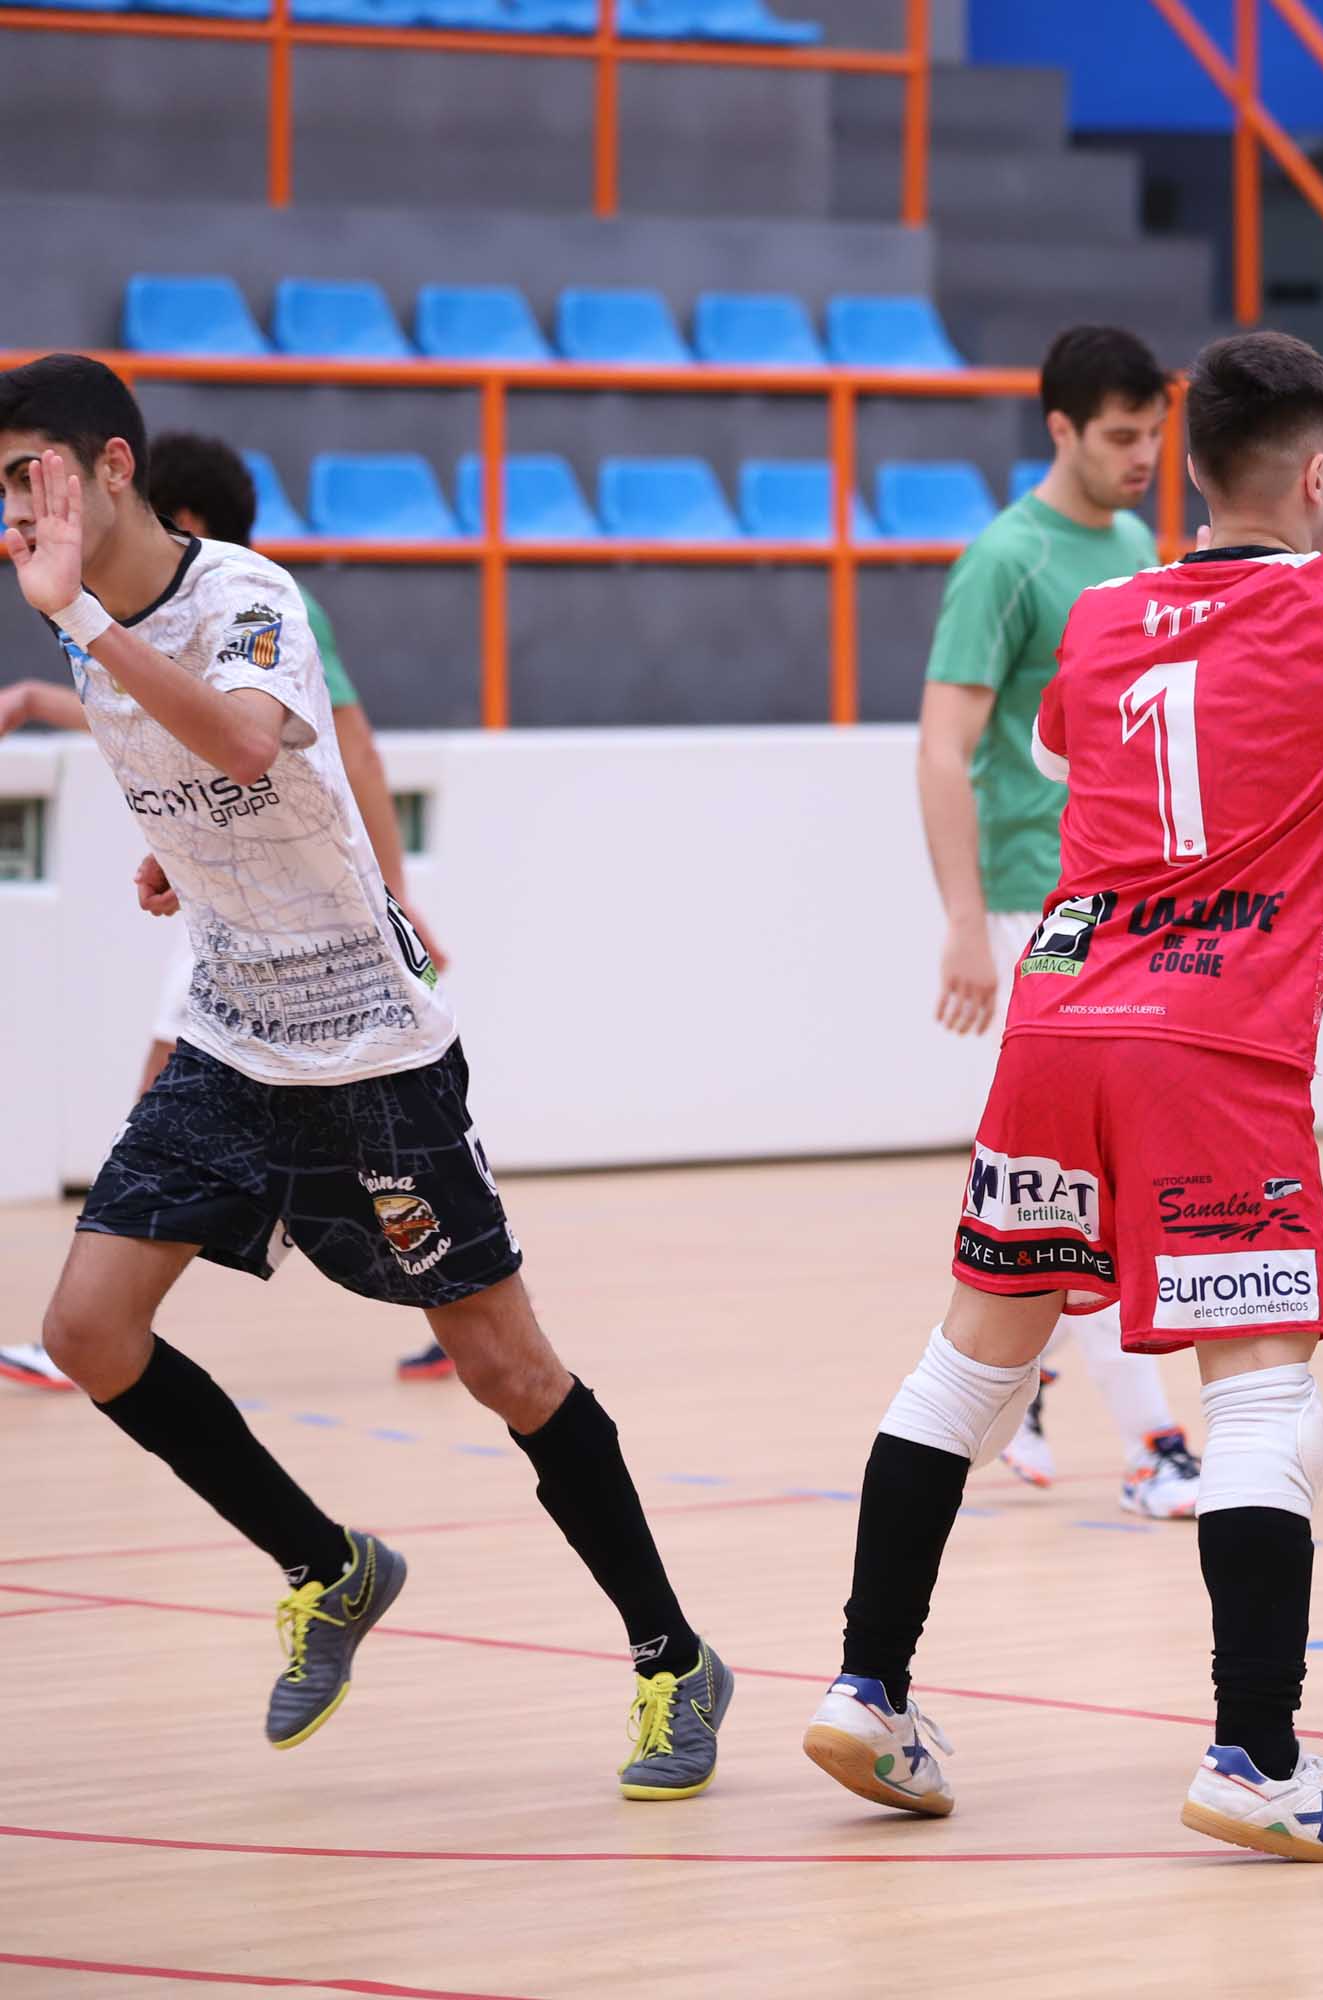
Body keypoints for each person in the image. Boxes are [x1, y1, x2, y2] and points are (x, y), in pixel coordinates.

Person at [802, 210, 1323, 1860]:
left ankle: (867, 1687)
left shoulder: (1112, 611)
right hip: (1214, 1044)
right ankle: (1255, 1757)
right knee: (1263, 1401)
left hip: (1058, 1020)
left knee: (965, 1367)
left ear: (1188, 467)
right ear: (1322, 477)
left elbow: (1057, 751)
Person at [2, 354, 728, 1794]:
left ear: (112, 470)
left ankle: (673, 1658)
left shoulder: (243, 596)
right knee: (89, 1331)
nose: (15, 512)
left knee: (502, 1368)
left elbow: (255, 736)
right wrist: (187, 855)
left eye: (31, 479)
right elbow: (212, 776)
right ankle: (327, 1567)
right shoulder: (90, 632)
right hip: (227, 1034)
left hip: (371, 1049)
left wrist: (81, 621)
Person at [0, 433, 458, 1390]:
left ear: (186, 523)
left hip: (302, 926)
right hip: (226, 902)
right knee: (277, 1128)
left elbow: (351, 753)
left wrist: (396, 900)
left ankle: (93, 1311)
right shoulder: (154, 620)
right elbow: (163, 717)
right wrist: (49, 700)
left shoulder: (267, 606)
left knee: (179, 1089)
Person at [917, 324, 1203, 1520]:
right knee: (1098, 1189)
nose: (1145, 456)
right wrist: (966, 920)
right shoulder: (1006, 560)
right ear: (1063, 430)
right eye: (1123, 435)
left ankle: (1020, 1386)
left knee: (1066, 1185)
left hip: (1126, 899)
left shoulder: (1138, 541)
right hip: (1044, 908)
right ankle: (1157, 1443)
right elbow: (944, 744)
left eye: (1155, 435)